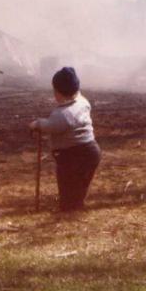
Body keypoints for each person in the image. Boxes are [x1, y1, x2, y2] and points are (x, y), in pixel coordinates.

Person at [29, 67, 101, 212]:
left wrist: (37, 124)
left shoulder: (63, 115)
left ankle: (69, 208)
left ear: (59, 93)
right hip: (91, 151)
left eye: (55, 91)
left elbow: (52, 126)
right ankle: (76, 204)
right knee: (80, 185)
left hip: (72, 155)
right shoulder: (82, 102)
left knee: (67, 184)